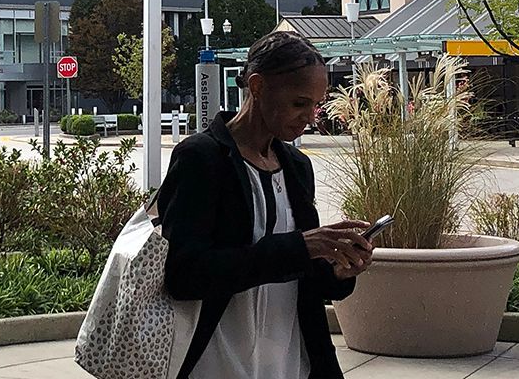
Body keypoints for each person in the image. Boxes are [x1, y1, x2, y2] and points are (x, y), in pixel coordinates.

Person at [158, 30, 373, 379]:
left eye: (316, 104)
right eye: (299, 103)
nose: (311, 117)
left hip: (294, 363)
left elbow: (301, 275)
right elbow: (184, 275)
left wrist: (337, 270)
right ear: (257, 87)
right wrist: (298, 247)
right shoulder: (202, 158)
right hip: (215, 364)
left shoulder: (296, 166)